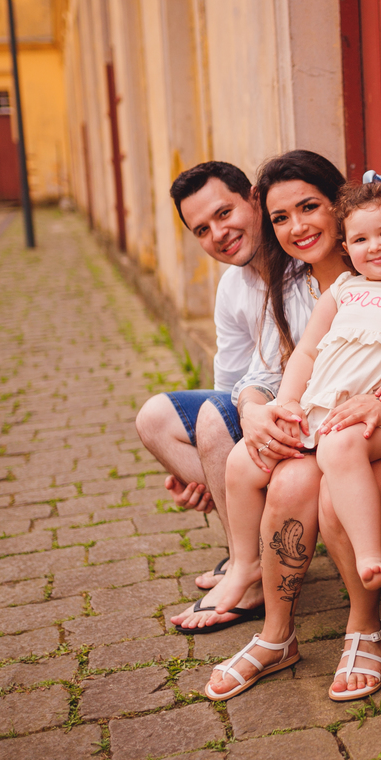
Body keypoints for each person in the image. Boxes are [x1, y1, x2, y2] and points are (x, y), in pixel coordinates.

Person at [170, 151, 381, 705]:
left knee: (335, 495)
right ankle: (275, 637)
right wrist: (260, 409)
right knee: (289, 481)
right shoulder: (293, 288)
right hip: (335, 433)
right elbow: (267, 372)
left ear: (341, 211)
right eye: (281, 219)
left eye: (310, 208)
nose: (296, 227)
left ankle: (365, 629)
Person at [223, 177, 381, 596]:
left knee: (339, 447)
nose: (375, 246)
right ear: (346, 247)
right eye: (361, 239)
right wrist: (289, 401)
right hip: (323, 408)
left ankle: (367, 553)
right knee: (241, 462)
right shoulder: (344, 290)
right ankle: (243, 563)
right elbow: (306, 353)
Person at [134, 162, 266, 592]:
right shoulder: (232, 285)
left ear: (254, 198)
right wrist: (212, 471)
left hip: (305, 409)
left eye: (224, 213)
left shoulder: (302, 259)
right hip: (260, 406)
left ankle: (249, 571)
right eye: (202, 230)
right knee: (154, 418)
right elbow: (226, 388)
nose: (217, 234)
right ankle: (248, 549)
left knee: (213, 420)